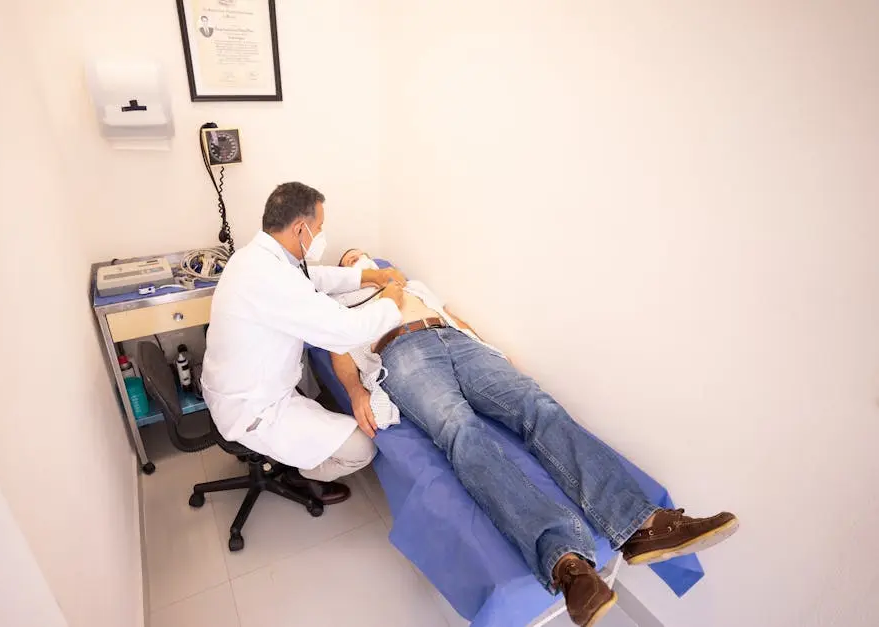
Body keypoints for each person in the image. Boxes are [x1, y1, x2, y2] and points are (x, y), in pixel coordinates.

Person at [332, 250, 739, 627]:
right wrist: (355, 391)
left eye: (364, 253)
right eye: (354, 258)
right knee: (461, 431)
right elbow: (338, 350)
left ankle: (641, 525)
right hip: (403, 353)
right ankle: (566, 562)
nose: (362, 256)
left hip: (457, 342)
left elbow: (454, 316)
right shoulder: (347, 302)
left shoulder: (412, 285)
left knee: (537, 405)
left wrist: (489, 348)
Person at [201, 185, 407, 506]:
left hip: (235, 387)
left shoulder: (253, 258)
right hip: (255, 408)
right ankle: (301, 473)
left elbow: (314, 278)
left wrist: (367, 276)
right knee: (361, 448)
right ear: (300, 228)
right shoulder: (271, 277)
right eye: (320, 228)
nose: (321, 234)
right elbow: (346, 331)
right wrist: (392, 303)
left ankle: (297, 454)